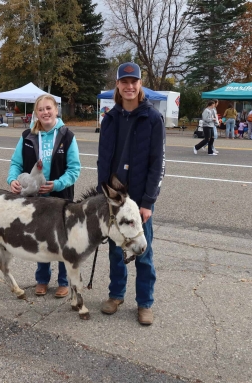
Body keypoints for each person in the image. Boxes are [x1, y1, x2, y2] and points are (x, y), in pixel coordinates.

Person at [97, 62, 165, 326]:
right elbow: (103, 161)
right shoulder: (110, 119)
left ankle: (145, 303)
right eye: (124, 82)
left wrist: (148, 202)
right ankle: (116, 295)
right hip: (114, 200)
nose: (129, 86)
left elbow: (157, 163)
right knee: (116, 249)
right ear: (117, 85)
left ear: (140, 85)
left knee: (143, 252)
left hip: (139, 200)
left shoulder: (152, 118)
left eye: (133, 81)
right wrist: (105, 195)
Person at [7, 94, 81, 299]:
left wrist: (58, 183)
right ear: (36, 113)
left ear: (57, 110)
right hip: (36, 201)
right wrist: (12, 179)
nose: (45, 112)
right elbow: (16, 164)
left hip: (61, 199)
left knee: (63, 241)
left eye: (49, 108)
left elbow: (74, 169)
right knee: (41, 239)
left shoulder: (67, 136)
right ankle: (42, 279)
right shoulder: (27, 136)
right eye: (41, 109)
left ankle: (64, 281)